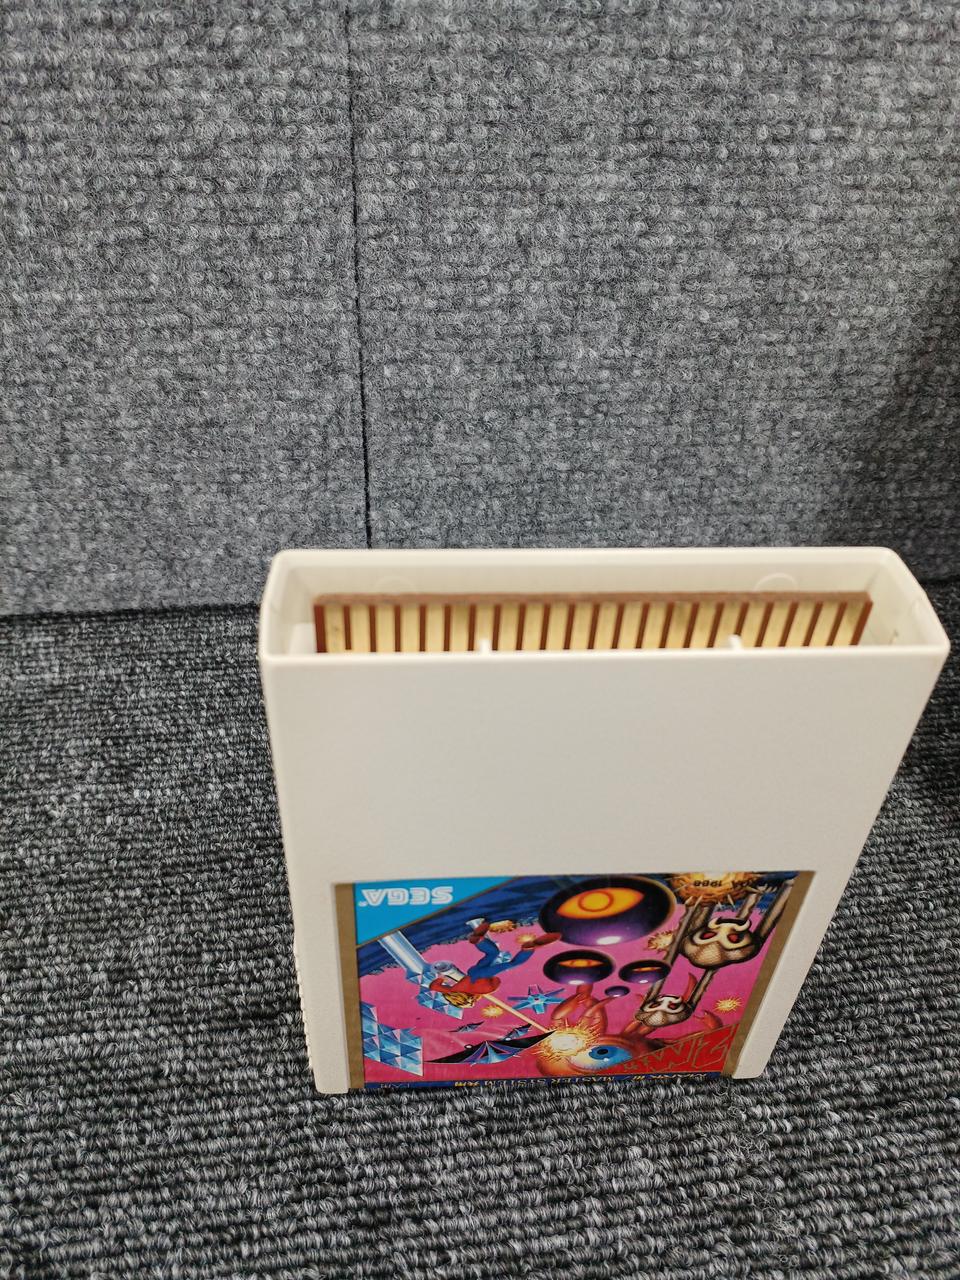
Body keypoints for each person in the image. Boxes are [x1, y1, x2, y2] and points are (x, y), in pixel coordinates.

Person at [428, 918, 560, 1005]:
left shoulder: (484, 991)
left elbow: (496, 980)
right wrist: (441, 978)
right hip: (473, 971)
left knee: (513, 963)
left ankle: (528, 949)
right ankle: (479, 940)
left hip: (484, 973)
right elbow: (433, 987)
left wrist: (487, 986)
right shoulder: (452, 990)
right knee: (493, 953)